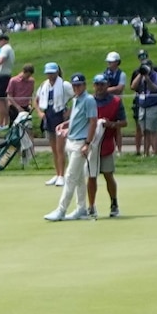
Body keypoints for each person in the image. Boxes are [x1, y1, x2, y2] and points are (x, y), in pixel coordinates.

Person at [45, 73, 97, 221]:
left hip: (81, 143)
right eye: (74, 86)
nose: (76, 88)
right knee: (79, 178)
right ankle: (81, 209)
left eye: (79, 85)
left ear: (84, 85)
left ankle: (61, 210)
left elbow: (92, 122)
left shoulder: (89, 100)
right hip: (71, 141)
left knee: (70, 176)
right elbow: (76, 118)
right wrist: (65, 125)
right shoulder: (76, 99)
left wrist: (87, 143)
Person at [87, 74, 124, 218]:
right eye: (97, 84)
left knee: (108, 174)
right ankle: (91, 206)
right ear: (94, 85)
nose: (100, 87)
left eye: (102, 84)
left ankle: (114, 203)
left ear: (107, 85)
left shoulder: (115, 101)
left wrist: (112, 124)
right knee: (91, 176)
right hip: (91, 144)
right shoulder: (89, 101)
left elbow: (123, 122)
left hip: (107, 143)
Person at [35, 62, 68, 183]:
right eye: (48, 73)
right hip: (48, 116)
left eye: (52, 73)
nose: (50, 75)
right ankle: (57, 173)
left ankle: (62, 175)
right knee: (54, 149)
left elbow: (75, 99)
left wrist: (68, 113)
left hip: (59, 116)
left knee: (60, 148)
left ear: (57, 72)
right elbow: (36, 100)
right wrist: (39, 113)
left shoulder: (64, 85)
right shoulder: (44, 85)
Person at [130, 53, 157, 156]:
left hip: (154, 105)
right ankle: (146, 153)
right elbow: (133, 87)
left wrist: (147, 78)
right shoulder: (140, 75)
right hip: (142, 106)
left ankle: (155, 152)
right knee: (145, 130)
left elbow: (154, 88)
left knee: (153, 130)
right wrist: (140, 75)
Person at [6, 63, 36, 129]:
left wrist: (30, 104)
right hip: (14, 107)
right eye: (27, 76)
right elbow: (9, 95)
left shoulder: (31, 81)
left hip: (26, 107)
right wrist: (18, 107)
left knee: (26, 126)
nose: (28, 78)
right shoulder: (13, 81)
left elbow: (31, 93)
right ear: (24, 72)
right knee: (14, 127)